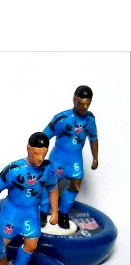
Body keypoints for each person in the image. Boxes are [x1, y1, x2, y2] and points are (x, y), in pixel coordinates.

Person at [0, 132, 58, 265]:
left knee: (31, 245)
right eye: (36, 154)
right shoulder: (14, 169)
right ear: (28, 149)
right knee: (1, 244)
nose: (40, 159)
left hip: (31, 213)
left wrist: (55, 212)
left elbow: (53, 189)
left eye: (43, 154)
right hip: (11, 212)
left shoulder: (48, 169)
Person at [40, 85, 99, 228]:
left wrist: (95, 157)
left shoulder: (90, 119)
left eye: (87, 104)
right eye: (81, 103)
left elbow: (93, 138)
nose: (84, 107)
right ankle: (43, 212)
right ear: (74, 100)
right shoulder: (62, 118)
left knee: (76, 185)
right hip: (58, 158)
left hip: (75, 160)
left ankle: (63, 213)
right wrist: (38, 156)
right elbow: (44, 136)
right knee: (49, 183)